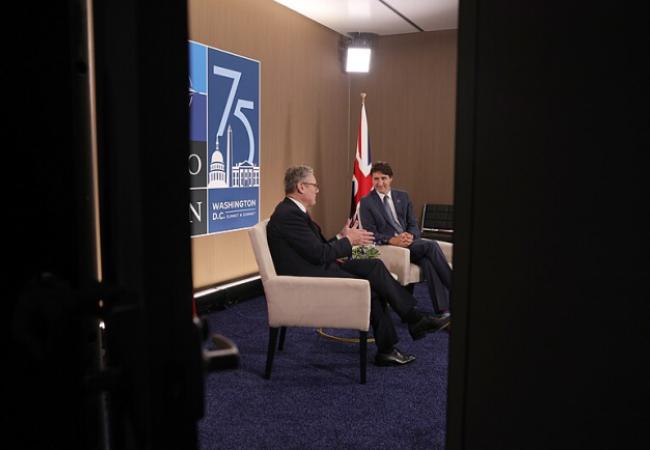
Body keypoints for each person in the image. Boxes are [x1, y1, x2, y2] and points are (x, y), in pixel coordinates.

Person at [266, 165, 450, 367]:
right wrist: (349, 241)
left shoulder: (294, 212)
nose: (317, 190)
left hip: (320, 265)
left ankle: (414, 320)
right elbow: (320, 254)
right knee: (372, 285)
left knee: (374, 266)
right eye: (314, 186)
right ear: (301, 187)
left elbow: (316, 248)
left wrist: (341, 237)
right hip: (310, 277)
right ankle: (392, 345)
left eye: (384, 178)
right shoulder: (289, 215)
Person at [359, 161, 452, 316]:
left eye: (384, 178)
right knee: (432, 246)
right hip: (391, 248)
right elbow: (370, 233)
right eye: (376, 179)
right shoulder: (367, 202)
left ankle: (443, 311)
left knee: (428, 261)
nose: (380, 183)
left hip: (410, 243)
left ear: (391, 179)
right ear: (372, 180)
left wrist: (411, 236)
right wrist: (392, 240)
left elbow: (413, 224)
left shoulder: (403, 196)